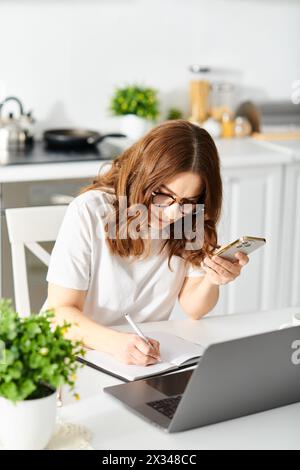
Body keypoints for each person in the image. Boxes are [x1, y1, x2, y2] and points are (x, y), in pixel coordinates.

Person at [47, 120, 249, 366]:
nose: (173, 213)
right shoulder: (90, 211)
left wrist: (212, 279)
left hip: (140, 359)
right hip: (74, 352)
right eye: (163, 195)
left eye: (188, 200)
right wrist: (117, 343)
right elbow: (59, 314)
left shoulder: (189, 218)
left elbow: (193, 307)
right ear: (142, 175)